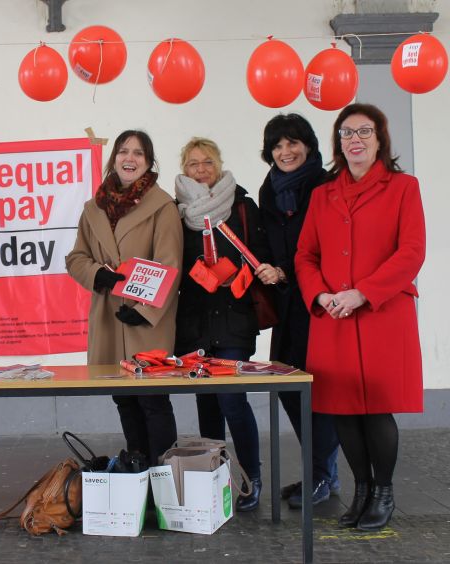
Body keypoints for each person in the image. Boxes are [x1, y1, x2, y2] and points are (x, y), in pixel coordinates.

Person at [295, 103, 425, 531]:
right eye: (347, 133)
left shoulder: (404, 187)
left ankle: (383, 493)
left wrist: (362, 293)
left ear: (380, 139)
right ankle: (361, 491)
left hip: (381, 314)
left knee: (376, 409)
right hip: (333, 316)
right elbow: (306, 255)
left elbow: (411, 252)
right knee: (343, 409)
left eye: (364, 132)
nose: (355, 140)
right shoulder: (322, 194)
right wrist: (321, 295)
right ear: (338, 143)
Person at [66, 130, 182, 468]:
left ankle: (165, 479)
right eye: (123, 151)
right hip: (109, 317)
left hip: (146, 323)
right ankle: (139, 471)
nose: (129, 158)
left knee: (153, 401)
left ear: (148, 163)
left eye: (139, 154)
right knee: (124, 400)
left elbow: (170, 265)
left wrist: (145, 310)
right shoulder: (93, 208)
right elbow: (76, 257)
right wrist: (95, 274)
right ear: (113, 157)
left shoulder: (162, 206)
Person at [173, 137, 270, 512]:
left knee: (232, 398)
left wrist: (239, 272)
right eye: (194, 162)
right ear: (184, 168)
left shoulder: (242, 205)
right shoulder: (177, 211)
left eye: (208, 162)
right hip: (195, 321)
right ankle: (214, 475)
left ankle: (251, 476)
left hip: (234, 317)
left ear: (219, 164)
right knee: (207, 401)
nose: (201, 169)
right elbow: (170, 260)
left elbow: (261, 255)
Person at [254, 114, 340, 509]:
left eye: (293, 143)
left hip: (319, 303)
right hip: (287, 303)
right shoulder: (267, 191)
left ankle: (323, 476)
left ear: (308, 145)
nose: (285, 152)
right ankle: (321, 472)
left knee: (316, 390)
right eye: (277, 146)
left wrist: (286, 268)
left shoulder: (326, 186)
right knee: (289, 386)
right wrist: (269, 268)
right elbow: (270, 244)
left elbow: (329, 247)